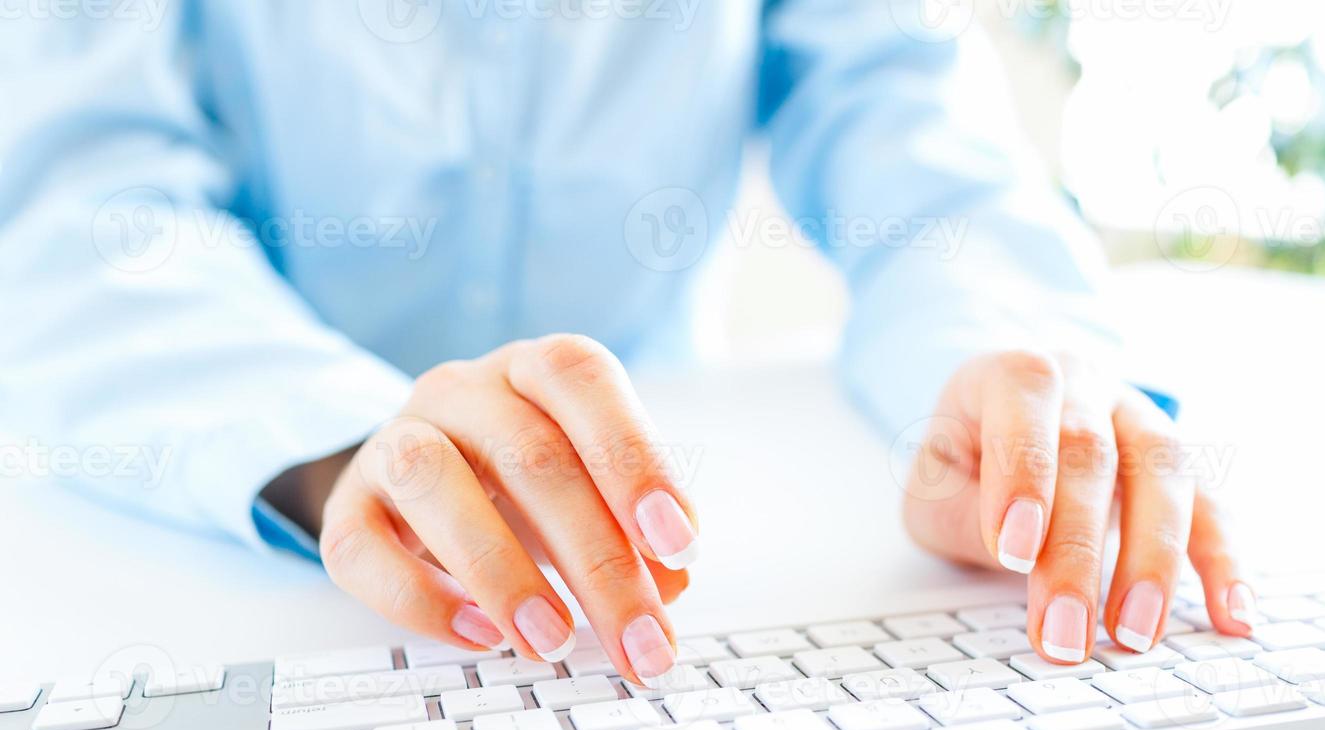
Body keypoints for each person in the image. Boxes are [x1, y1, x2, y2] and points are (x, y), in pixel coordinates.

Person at [0, 2, 1252, 686]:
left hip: (660, 552)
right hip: (242, 553)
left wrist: (1017, 360)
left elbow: (911, 139)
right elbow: (79, 209)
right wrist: (337, 442)